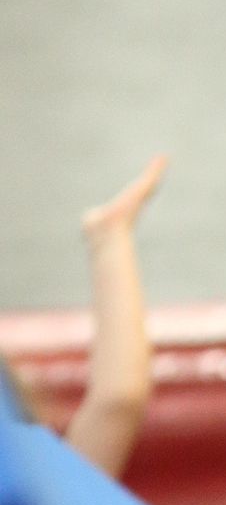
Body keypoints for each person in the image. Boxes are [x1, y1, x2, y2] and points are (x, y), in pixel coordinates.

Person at [2, 155, 165, 478]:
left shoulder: (35, 492)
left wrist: (109, 238)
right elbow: (116, 403)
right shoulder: (37, 495)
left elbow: (117, 402)